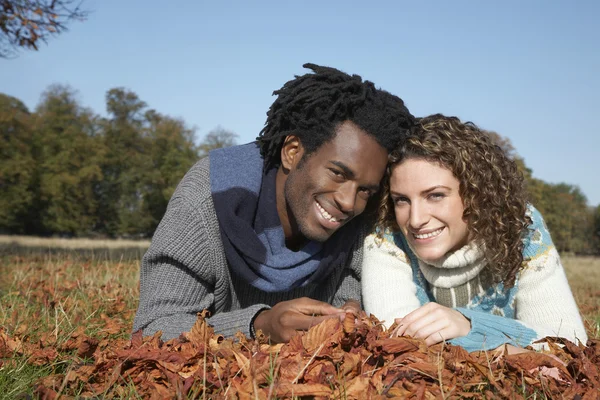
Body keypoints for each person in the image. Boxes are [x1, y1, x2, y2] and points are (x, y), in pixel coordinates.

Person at [132, 63, 415, 342]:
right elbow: (152, 329)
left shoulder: (361, 218)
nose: (348, 202)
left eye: (365, 190)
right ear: (292, 152)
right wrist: (258, 325)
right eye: (338, 173)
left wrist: (353, 313)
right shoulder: (208, 198)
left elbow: (357, 297)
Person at [362, 114, 588, 353]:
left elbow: (567, 347)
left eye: (435, 195)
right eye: (402, 200)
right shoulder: (386, 238)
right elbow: (399, 344)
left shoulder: (523, 229)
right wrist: (510, 347)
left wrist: (470, 326)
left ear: (476, 193)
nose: (416, 219)